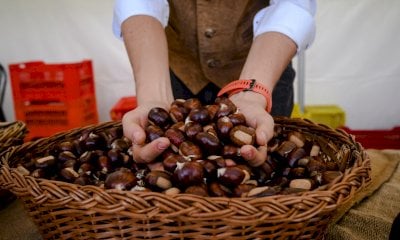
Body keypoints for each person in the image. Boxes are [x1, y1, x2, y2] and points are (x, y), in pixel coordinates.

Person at [112, 0, 316, 167]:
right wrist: (153, 97)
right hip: (175, 68)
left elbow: (292, 5)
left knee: (268, 166)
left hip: (266, 66)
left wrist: (251, 94)